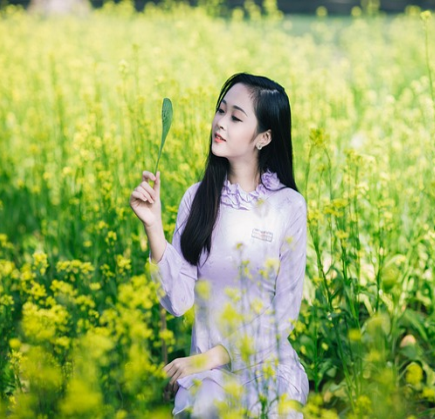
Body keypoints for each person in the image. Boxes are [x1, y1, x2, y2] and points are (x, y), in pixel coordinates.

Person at [129, 73, 309, 418]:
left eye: (236, 117)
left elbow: (283, 315)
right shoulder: (198, 198)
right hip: (209, 376)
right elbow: (178, 300)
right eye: (221, 111)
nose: (221, 123)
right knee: (205, 406)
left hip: (268, 368)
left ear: (264, 137)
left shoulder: (288, 206)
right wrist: (153, 227)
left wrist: (208, 357)